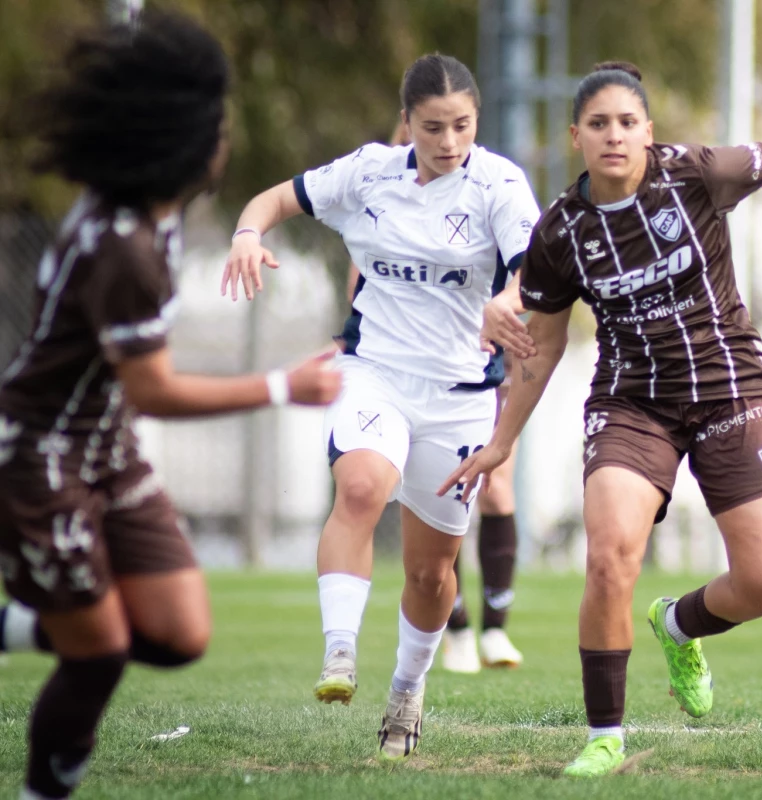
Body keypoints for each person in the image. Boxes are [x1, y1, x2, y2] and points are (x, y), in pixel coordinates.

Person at [441, 61, 762, 777]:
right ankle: (605, 737)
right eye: (599, 124)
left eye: (627, 122)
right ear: (576, 137)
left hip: (730, 392)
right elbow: (546, 343)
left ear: (648, 131)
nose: (614, 135)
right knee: (609, 556)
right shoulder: (562, 231)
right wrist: (502, 441)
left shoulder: (695, 175)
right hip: (632, 403)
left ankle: (678, 624)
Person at [0, 13, 341, 800]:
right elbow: (152, 390)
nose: (223, 140)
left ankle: (22, 624)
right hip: (40, 458)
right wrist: (282, 386)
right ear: (177, 140)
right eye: (214, 126)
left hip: (106, 452)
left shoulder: (152, 215)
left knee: (179, 632)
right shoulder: (122, 245)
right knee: (97, 653)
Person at [220, 53, 539, 762]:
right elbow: (271, 201)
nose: (450, 141)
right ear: (407, 123)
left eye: (462, 125)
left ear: (477, 121)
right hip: (375, 373)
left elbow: (534, 272)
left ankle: (407, 690)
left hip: (459, 397)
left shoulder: (499, 185)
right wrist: (247, 235)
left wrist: (508, 301)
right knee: (361, 488)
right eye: (433, 127)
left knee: (431, 573)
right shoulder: (368, 173)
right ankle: (340, 652)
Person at [345, 120, 525, 675]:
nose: (440, 143)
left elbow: (522, 269)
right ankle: (459, 629)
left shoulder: (487, 187)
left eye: (453, 128)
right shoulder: (381, 191)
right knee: (431, 494)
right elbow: (361, 284)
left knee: (495, 488)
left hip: (479, 364)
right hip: (405, 373)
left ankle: (495, 628)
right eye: (421, 130)